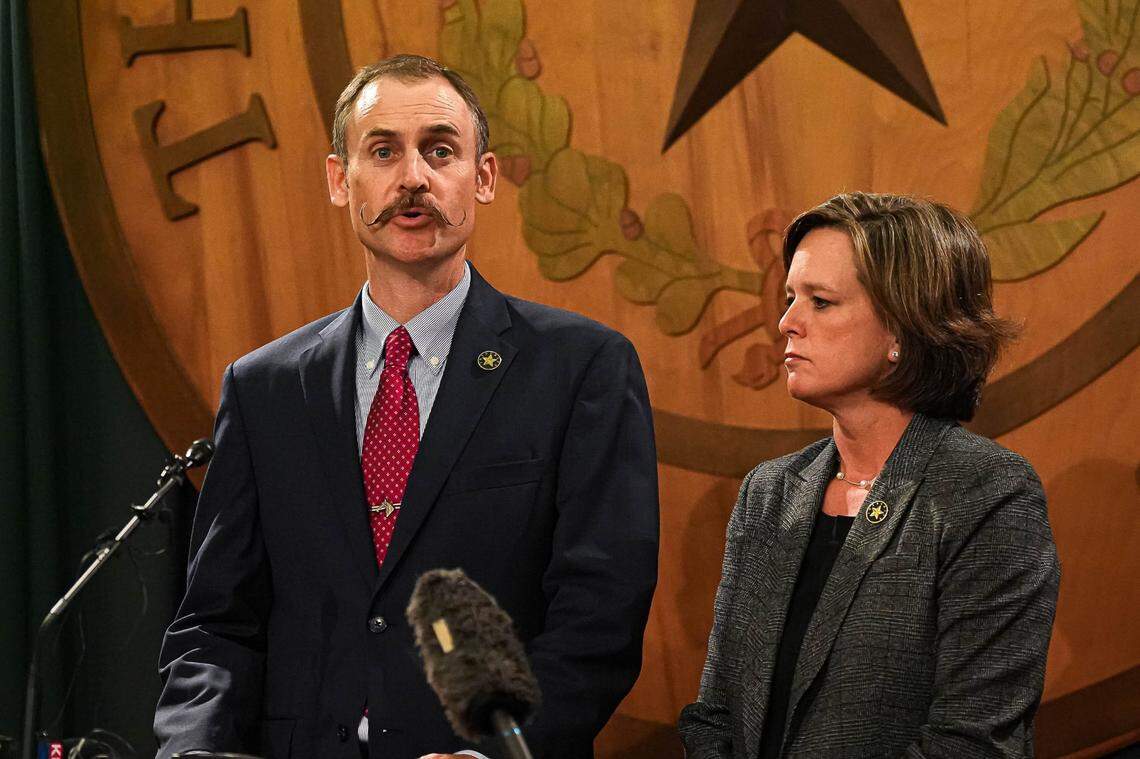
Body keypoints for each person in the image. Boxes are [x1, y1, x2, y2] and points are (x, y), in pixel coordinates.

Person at [153, 54, 659, 759]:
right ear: (341, 179)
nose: (413, 178)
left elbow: (600, 614)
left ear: (482, 178)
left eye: (440, 150)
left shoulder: (581, 369)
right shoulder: (264, 387)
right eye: (383, 150)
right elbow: (215, 623)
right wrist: (190, 748)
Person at [678, 192, 1060, 757]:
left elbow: (971, 743)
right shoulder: (769, 492)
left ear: (903, 331)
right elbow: (714, 717)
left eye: (821, 302)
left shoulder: (987, 494)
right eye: (790, 298)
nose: (785, 323)